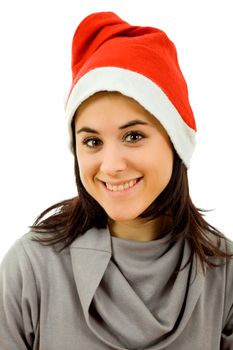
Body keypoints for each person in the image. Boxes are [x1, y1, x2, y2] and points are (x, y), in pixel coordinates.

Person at [0, 11, 233, 350]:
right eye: (92, 142)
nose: (110, 166)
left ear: (176, 141)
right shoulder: (30, 269)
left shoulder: (224, 275)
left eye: (133, 136)